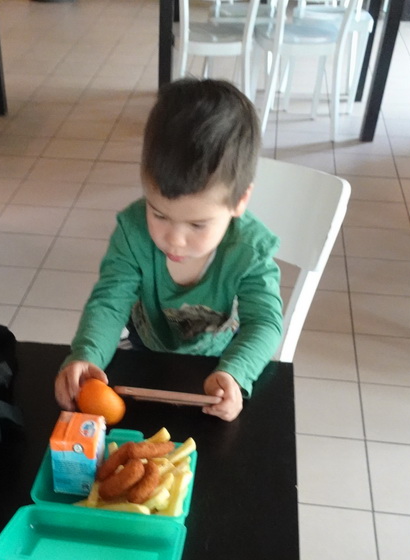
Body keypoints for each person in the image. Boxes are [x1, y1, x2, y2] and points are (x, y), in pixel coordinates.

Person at [54, 78, 284, 422]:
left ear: (240, 201)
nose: (174, 240)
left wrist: (236, 373)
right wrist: (85, 355)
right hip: (143, 352)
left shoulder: (249, 249)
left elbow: (265, 322)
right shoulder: (132, 232)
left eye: (197, 225)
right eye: (158, 213)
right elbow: (109, 302)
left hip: (218, 365)